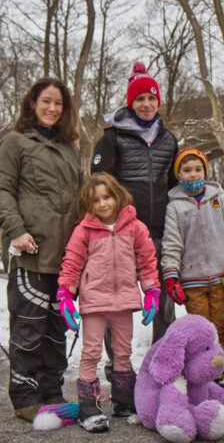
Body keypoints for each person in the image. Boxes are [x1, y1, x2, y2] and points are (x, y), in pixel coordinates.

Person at [0, 77, 82, 423]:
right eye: (46, 101)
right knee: (29, 330)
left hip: (64, 257)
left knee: (56, 329)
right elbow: (1, 189)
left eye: (58, 103)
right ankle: (26, 398)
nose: (52, 108)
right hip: (29, 252)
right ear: (32, 103)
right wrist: (15, 230)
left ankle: (52, 391)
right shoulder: (15, 143)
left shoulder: (69, 147)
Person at [90, 61, 178, 374]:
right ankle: (120, 370)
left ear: (158, 102)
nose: (146, 104)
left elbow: (175, 186)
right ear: (131, 103)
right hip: (123, 233)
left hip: (159, 233)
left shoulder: (168, 140)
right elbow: (98, 185)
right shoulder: (112, 139)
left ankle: (164, 367)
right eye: (139, 99)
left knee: (165, 302)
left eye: (151, 98)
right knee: (118, 303)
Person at [56, 172, 160, 432]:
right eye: (95, 201)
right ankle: (88, 407)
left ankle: (123, 400)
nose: (102, 204)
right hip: (94, 301)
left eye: (107, 197)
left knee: (122, 352)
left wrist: (152, 292)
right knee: (91, 352)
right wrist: (65, 294)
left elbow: (147, 261)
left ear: (117, 196)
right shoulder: (85, 230)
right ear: (88, 205)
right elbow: (72, 263)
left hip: (124, 300)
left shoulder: (135, 227)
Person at [160, 148, 224, 389]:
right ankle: (200, 372)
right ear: (179, 174)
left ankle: (220, 370)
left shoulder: (218, 199)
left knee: (220, 324)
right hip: (192, 281)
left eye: (197, 169)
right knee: (201, 329)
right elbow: (172, 243)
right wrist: (171, 275)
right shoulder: (175, 207)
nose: (193, 175)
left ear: (205, 171)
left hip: (222, 276)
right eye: (187, 170)